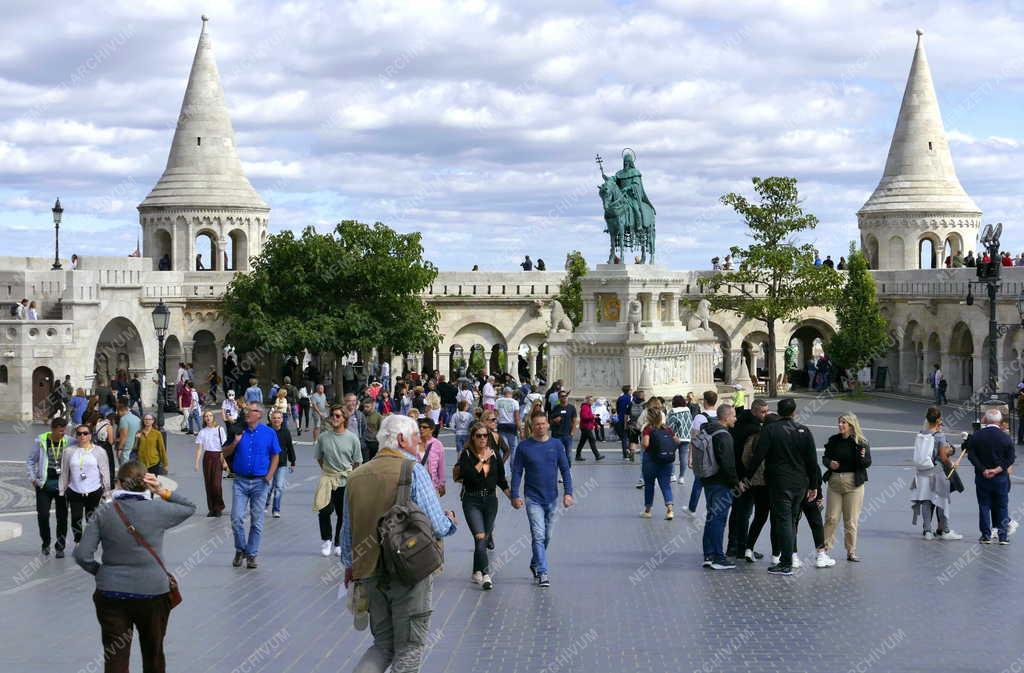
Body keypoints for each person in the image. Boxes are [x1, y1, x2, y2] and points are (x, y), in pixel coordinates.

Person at [340, 414, 457, 672]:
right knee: (409, 647)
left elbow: (347, 532)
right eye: (416, 437)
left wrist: (351, 568)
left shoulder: (356, 476)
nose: (419, 443)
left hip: (369, 572)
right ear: (402, 439)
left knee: (382, 644)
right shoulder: (413, 470)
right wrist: (451, 522)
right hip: (408, 572)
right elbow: (436, 525)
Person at [74, 462, 195, 673]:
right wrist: (160, 490)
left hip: (111, 593)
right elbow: (189, 507)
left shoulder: (104, 511)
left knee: (115, 658)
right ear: (145, 484)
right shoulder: (158, 509)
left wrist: (101, 571)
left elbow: (82, 554)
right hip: (153, 593)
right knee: (153, 652)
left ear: (119, 483)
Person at [743, 398, 822, 575]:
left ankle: (786, 562)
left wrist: (747, 477)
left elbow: (758, 457)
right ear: (794, 412)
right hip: (800, 483)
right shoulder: (804, 430)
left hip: (779, 483)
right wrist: (814, 485)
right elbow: (812, 461)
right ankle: (790, 557)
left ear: (778, 412)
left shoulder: (771, 430)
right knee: (792, 519)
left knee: (784, 520)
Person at [510, 410, 573, 587]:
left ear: (548, 425)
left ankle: (535, 562)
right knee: (538, 535)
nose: (540, 427)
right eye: (537, 424)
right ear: (532, 426)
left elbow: (565, 470)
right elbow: (517, 472)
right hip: (532, 497)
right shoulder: (524, 447)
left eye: (543, 424)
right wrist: (514, 495)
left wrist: (568, 492)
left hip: (552, 497)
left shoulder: (557, 445)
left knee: (547, 536)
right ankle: (543, 572)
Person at [222, 403, 281, 569]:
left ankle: (252, 555)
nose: (247, 413)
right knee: (236, 518)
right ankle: (240, 548)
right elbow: (224, 453)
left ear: (260, 414)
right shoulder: (237, 430)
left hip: (260, 482)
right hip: (240, 481)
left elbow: (276, 455)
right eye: (246, 410)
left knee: (257, 521)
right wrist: (235, 442)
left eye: (251, 410)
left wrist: (269, 475)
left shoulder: (269, 433)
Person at [456, 420, 510, 590]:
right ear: (472, 438)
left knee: (484, 537)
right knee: (480, 536)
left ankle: (476, 571)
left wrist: (512, 496)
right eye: (478, 436)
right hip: (472, 500)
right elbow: (469, 476)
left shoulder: (494, 455)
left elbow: (501, 478)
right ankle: (486, 574)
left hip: (490, 501)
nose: (482, 439)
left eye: (485, 436)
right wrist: (482, 461)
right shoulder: (466, 455)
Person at [822, 413, 872, 561]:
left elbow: (867, 464)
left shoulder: (861, 442)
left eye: (844, 423)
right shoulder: (834, 440)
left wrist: (862, 457)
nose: (840, 425)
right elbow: (825, 457)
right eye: (839, 422)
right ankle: (824, 549)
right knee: (831, 517)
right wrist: (829, 463)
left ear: (851, 425)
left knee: (851, 520)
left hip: (853, 484)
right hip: (835, 482)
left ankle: (851, 551)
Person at [313, 405, 361, 557]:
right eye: (333, 415)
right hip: (328, 478)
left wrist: (349, 474)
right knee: (324, 511)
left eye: (338, 416)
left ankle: (339, 542)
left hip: (345, 480)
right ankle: (327, 540)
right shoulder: (323, 437)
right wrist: (329, 470)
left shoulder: (352, 438)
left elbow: (357, 461)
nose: (334, 418)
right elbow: (319, 458)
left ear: (344, 419)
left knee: (342, 513)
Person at [697, 404, 739, 569]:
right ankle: (717, 557)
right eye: (734, 415)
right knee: (719, 520)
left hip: (708, 479)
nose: (735, 419)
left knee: (710, 517)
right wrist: (736, 484)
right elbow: (728, 464)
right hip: (721, 483)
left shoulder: (708, 429)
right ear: (726, 417)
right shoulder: (724, 436)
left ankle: (708, 554)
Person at [966, 408, 1016, 544]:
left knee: (984, 505)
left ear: (986, 420)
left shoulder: (977, 436)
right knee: (1002, 506)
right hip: (1000, 478)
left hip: (982, 477)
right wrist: (997, 469)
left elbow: (971, 455)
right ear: (1000, 421)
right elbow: (1011, 458)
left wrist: (983, 469)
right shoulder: (1005, 437)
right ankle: (1003, 536)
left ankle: (986, 535)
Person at [726, 399, 767, 558]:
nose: (765, 414)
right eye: (763, 412)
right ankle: (742, 547)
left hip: (735, 475)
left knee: (737, 511)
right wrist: (748, 477)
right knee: (744, 512)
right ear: (755, 411)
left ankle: (732, 545)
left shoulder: (739, 423)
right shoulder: (754, 429)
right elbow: (748, 457)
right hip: (746, 478)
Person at [60, 424, 112, 546]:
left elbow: (105, 471)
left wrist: (107, 492)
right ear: (76, 436)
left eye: (85, 433)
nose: (82, 436)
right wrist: (62, 490)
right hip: (75, 490)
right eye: (79, 433)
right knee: (76, 518)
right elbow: (64, 471)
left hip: (94, 490)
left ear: (90, 436)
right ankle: (78, 540)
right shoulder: (69, 451)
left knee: (92, 519)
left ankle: (90, 542)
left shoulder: (99, 451)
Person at [27, 418, 70, 557]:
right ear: (53, 429)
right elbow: (31, 460)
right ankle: (46, 543)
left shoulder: (69, 441)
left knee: (62, 517)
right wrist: (33, 478)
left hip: (62, 486)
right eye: (60, 431)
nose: (63, 433)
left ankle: (60, 546)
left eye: (64, 430)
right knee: (43, 515)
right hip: (44, 485)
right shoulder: (41, 441)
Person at [639, 407, 680, 520]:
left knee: (649, 485)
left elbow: (646, 444)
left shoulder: (648, 429)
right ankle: (670, 509)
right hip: (666, 460)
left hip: (650, 460)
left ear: (649, 417)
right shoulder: (667, 428)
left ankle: (648, 510)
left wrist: (642, 445)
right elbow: (677, 441)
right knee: (666, 485)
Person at [684, 390, 718, 516]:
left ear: (705, 401)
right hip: (717, 453)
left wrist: (690, 457)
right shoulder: (720, 415)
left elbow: (694, 438)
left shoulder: (700, 417)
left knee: (699, 481)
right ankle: (712, 508)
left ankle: (692, 508)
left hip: (703, 454)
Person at [194, 410, 227, 517]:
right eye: (206, 416)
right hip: (207, 457)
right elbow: (199, 448)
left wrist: (224, 461)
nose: (208, 418)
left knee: (216, 484)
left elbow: (224, 446)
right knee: (208, 484)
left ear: (213, 417)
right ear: (204, 419)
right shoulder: (202, 432)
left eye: (210, 416)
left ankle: (219, 507)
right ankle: (212, 508)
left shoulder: (219, 429)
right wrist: (197, 463)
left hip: (218, 456)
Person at [265, 410, 296, 519]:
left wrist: (293, 461)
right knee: (268, 487)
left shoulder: (285, 432)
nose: (276, 420)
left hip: (281, 463)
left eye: (279, 418)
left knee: (279, 486)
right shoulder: (267, 431)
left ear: (282, 420)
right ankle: (265, 504)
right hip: (268, 463)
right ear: (271, 419)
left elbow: (290, 447)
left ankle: (276, 509)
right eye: (274, 418)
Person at [665, 395, 693, 484]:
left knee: (671, 456)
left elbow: (670, 425)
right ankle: (681, 477)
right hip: (686, 437)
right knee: (683, 457)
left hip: (675, 437)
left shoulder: (673, 412)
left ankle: (672, 475)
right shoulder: (688, 411)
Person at [417, 418, 446, 496]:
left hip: (431, 484)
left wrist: (441, 483)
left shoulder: (437, 444)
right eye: (420, 427)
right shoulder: (414, 442)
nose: (421, 429)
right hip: (416, 484)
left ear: (432, 429)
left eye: (425, 427)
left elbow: (441, 466)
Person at [548, 389, 578, 465]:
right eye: (562, 396)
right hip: (557, 435)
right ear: (559, 398)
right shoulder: (555, 408)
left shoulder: (571, 408)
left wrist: (573, 432)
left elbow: (575, 421)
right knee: (557, 453)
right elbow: (550, 421)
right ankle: (557, 468)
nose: (564, 397)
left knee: (568, 455)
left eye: (565, 396)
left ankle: (568, 470)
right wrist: (555, 420)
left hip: (567, 434)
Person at [575, 394, 604, 462]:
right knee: (592, 440)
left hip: (587, 427)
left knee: (582, 442)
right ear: (587, 400)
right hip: (585, 427)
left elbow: (590, 417)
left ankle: (577, 455)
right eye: (591, 400)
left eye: (593, 400)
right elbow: (584, 417)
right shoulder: (585, 407)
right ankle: (597, 455)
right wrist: (593, 417)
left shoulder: (588, 407)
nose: (592, 401)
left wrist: (596, 424)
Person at [495, 386, 522, 460]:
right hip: (512, 426)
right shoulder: (515, 402)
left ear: (504, 393)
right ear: (511, 393)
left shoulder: (498, 401)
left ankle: (502, 466)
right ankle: (513, 467)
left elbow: (496, 415)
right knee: (513, 448)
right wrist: (520, 430)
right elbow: (516, 417)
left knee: (502, 448)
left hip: (501, 425)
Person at [116, 401, 142, 466]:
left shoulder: (124, 419)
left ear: (120, 411)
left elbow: (124, 435)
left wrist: (120, 448)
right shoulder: (137, 418)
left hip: (126, 449)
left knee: (125, 470)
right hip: (135, 447)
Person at [360, 397, 382, 462]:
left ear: (372, 406)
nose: (365, 409)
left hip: (374, 443)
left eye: (367, 407)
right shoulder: (361, 415)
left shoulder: (378, 416)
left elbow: (381, 430)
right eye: (364, 407)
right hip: (364, 442)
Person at [615, 385, 633, 459]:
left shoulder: (620, 398)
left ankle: (625, 454)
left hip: (621, 419)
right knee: (631, 437)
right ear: (628, 391)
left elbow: (618, 409)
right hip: (629, 420)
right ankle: (630, 452)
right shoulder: (630, 399)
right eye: (631, 390)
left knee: (624, 438)